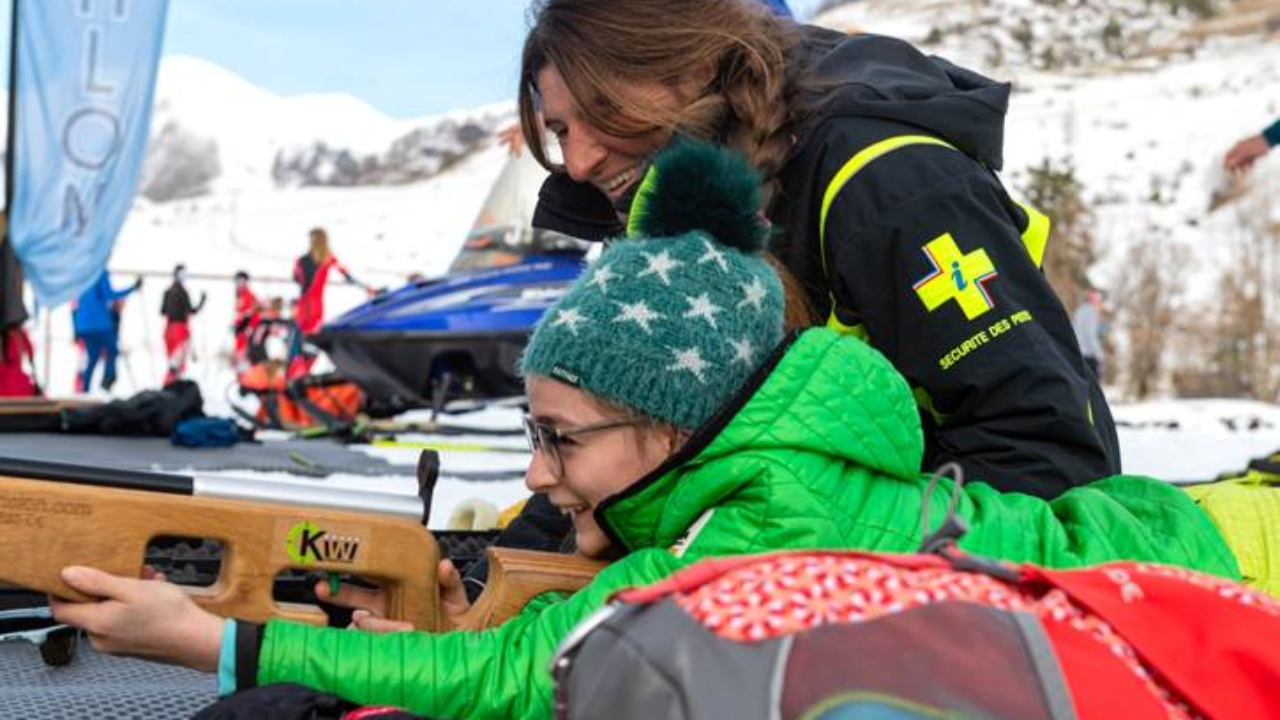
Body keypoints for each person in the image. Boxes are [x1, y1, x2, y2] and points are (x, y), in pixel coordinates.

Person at [50, 144, 1239, 719]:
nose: (533, 469)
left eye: (561, 439)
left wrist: (220, 645)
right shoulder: (744, 467)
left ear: (674, 430)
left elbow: (518, 673)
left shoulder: (758, 521)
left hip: (1227, 559)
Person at [517, 0, 1120, 499]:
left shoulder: (885, 181)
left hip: (977, 592)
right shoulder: (677, 216)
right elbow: (626, 439)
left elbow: (1051, 459)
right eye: (562, 130)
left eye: (604, 112)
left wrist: (794, 549)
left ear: (689, 66)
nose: (579, 161)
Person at [289, 227, 368, 378]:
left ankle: (295, 376)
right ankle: (304, 373)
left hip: (304, 305)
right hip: (317, 305)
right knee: (310, 342)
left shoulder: (300, 260)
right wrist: (364, 286)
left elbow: (296, 279)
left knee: (298, 342)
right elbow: (346, 274)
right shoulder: (329, 258)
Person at [72, 270, 141, 393]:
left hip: (84, 325)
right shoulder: (100, 272)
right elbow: (109, 294)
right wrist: (132, 288)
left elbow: (75, 304)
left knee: (93, 357)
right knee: (112, 351)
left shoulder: (82, 273)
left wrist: (76, 329)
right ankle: (106, 382)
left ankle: (85, 388)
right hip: (99, 324)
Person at [160, 264, 207, 385]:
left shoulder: (167, 292)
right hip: (179, 330)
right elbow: (192, 311)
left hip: (168, 330)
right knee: (176, 363)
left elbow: (163, 311)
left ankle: (171, 387)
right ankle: (170, 388)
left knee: (173, 361)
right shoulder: (182, 292)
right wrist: (202, 301)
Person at [1071, 289, 1106, 378]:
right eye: (1099, 302)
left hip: (1078, 354)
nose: (1100, 304)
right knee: (1092, 388)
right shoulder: (1092, 313)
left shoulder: (1079, 310)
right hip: (1089, 356)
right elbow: (1091, 335)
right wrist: (1100, 355)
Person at [231, 270, 260, 371]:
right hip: (240, 330)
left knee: (243, 356)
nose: (238, 283)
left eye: (241, 281)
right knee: (238, 356)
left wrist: (250, 327)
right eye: (237, 281)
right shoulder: (239, 294)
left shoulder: (249, 296)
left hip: (245, 331)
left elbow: (256, 314)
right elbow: (239, 314)